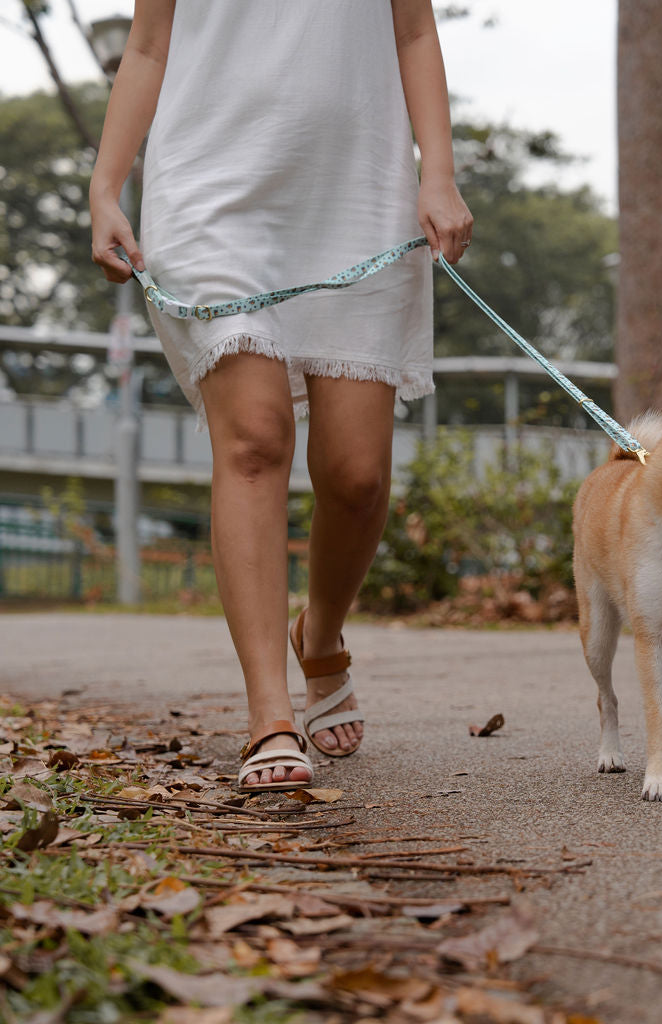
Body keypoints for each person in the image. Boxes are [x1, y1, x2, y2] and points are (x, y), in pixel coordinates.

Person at [90, 1, 473, 792]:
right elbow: (149, 46)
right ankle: (270, 716)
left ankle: (322, 634)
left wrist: (437, 170)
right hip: (208, 190)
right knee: (255, 439)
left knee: (357, 474)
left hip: (356, 188)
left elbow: (412, 30)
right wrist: (105, 187)